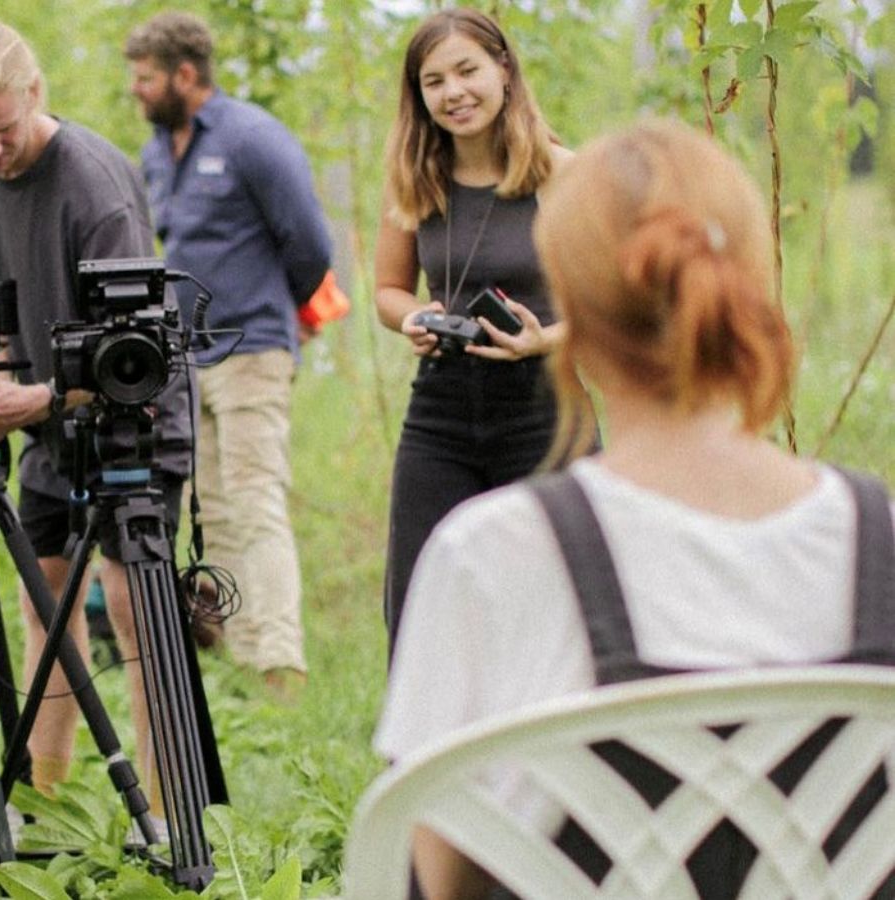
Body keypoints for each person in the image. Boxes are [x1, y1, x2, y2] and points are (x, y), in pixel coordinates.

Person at [375, 119, 895, 899]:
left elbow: (434, 875)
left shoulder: (492, 552)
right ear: (747, 279)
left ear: (570, 305)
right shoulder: (878, 533)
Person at [0, 19, 193, 820]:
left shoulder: (94, 188)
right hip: (40, 418)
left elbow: (137, 353)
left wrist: (31, 398)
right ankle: (48, 811)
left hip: (131, 415)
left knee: (140, 620)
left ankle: (174, 827)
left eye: (4, 130)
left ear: (34, 95)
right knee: (46, 608)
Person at [124, 11, 334, 697]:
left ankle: (283, 664)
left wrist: (284, 313)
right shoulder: (158, 153)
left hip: (252, 348)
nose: (137, 90)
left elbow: (309, 243)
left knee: (255, 499)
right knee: (211, 507)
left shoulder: (253, 139)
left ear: (186, 75)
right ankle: (246, 660)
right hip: (188, 357)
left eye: (146, 78)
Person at [374, 8, 574, 660]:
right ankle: (434, 754)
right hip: (441, 410)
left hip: (545, 409)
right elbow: (388, 290)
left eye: (467, 71)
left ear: (504, 69)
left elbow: (619, 308)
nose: (454, 93)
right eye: (434, 81)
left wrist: (547, 339)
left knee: (554, 599)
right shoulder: (416, 181)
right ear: (419, 96)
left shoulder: (561, 175)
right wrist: (414, 317)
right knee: (422, 599)